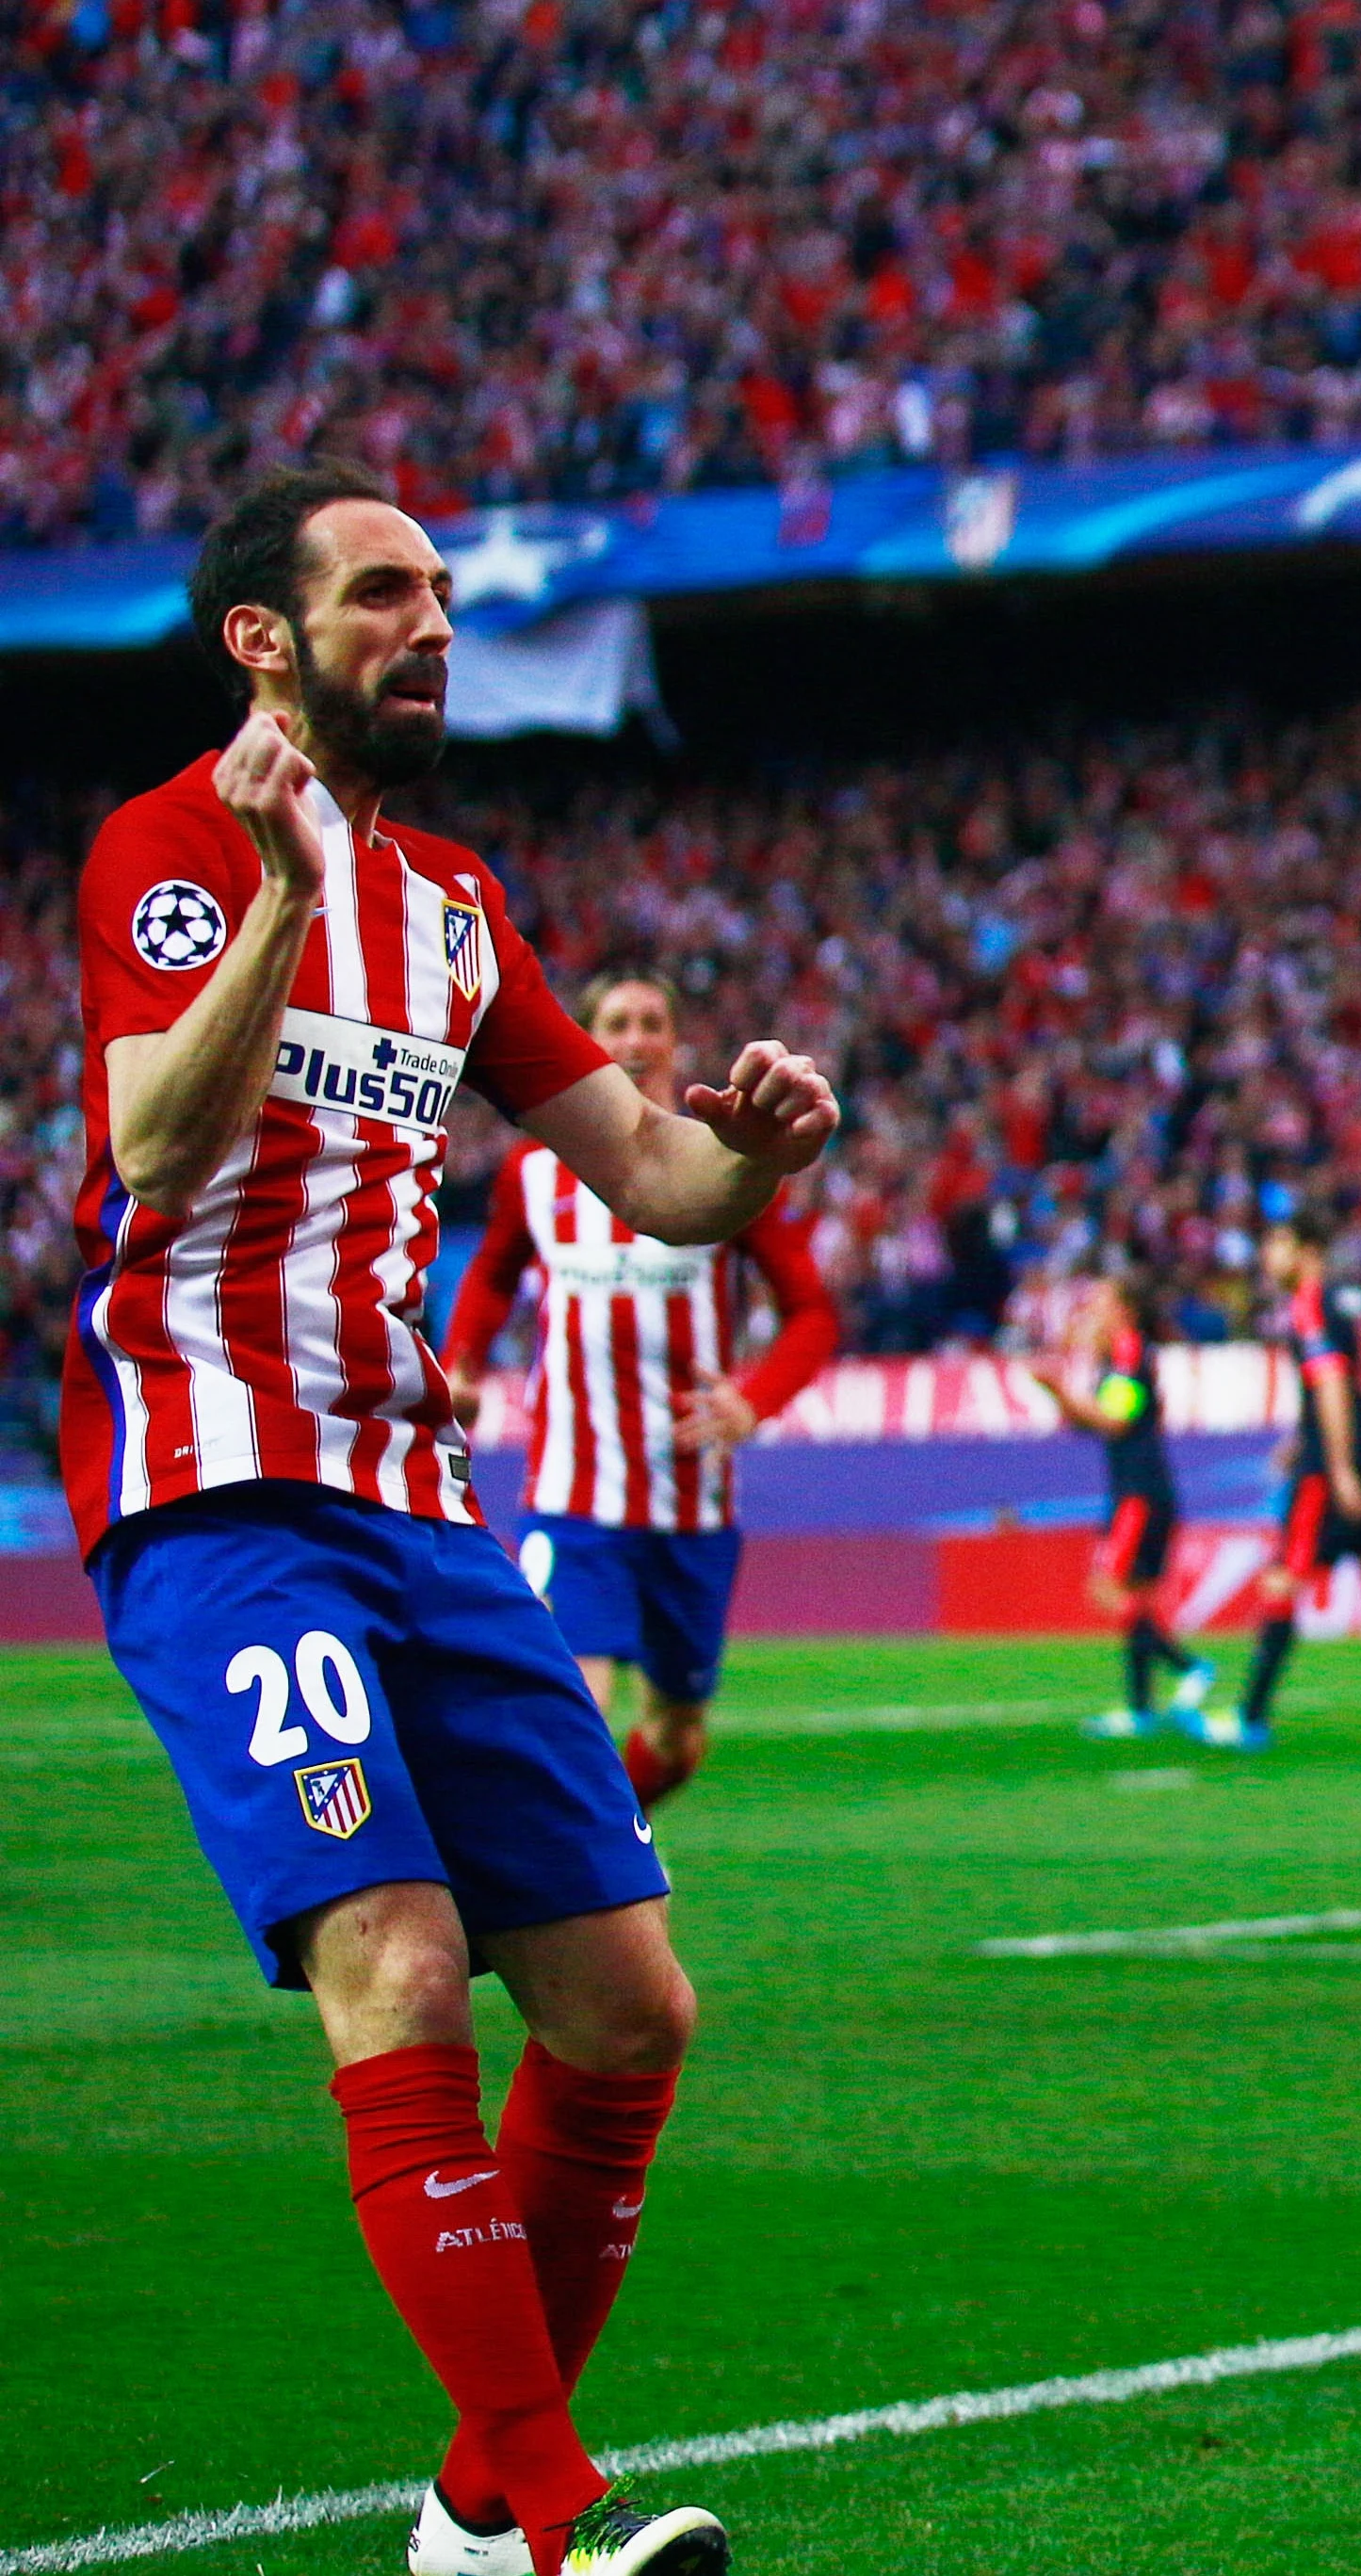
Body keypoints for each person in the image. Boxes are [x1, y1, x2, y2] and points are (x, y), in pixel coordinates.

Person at [72, 459, 836, 2576]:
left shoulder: (466, 906)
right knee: (396, 1953)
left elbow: (658, 1182)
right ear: (267, 638)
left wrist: (756, 1153)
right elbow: (146, 1141)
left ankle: (478, 2506)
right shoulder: (163, 846)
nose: (434, 621)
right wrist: (287, 892)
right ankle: (567, 2513)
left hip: (420, 1500)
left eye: (442, 592)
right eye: (386, 592)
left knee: (625, 2006)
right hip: (221, 1489)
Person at [442, 971, 837, 1810]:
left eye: (651, 1021)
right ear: (588, 1041)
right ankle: (564, 1886)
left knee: (676, 1737)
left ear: (673, 1041)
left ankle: (598, 1849)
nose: (635, 1037)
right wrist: (463, 1361)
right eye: (616, 1021)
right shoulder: (534, 1173)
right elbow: (491, 1274)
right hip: (574, 1495)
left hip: (689, 1503)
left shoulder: (729, 1168)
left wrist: (753, 1400)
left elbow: (811, 1313)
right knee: (571, 1709)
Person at [1223, 1221, 1361, 1753]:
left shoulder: (1309, 1304)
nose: (1267, 1256)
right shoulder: (1352, 1300)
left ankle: (1249, 1718)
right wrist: (1301, 1440)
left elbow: (1333, 1384)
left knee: (1283, 1579)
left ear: (1308, 1251)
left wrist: (1335, 1466)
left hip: (1332, 1464)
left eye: (1276, 1244)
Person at [1037, 1273, 1216, 1741]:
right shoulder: (1113, 1359)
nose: (1090, 1310)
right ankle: (1140, 1711)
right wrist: (1062, 1393)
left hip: (1139, 1492)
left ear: (1124, 1311)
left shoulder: (1130, 1352)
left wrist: (1057, 1390)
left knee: (1107, 1587)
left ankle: (1190, 1667)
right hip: (1139, 1488)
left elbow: (1114, 1422)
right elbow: (1097, 1422)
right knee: (1136, 1598)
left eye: (1099, 1302)